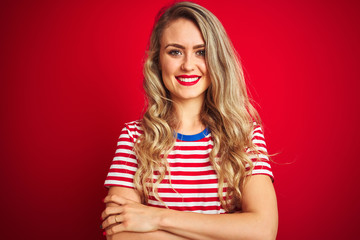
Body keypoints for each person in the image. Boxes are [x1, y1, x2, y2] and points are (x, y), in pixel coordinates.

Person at [101, 1, 278, 239]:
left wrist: (156, 218)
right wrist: (227, 231)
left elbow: (262, 232)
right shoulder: (134, 137)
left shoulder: (245, 135)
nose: (187, 65)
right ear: (157, 60)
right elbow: (120, 234)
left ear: (217, 59)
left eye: (201, 52)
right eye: (175, 51)